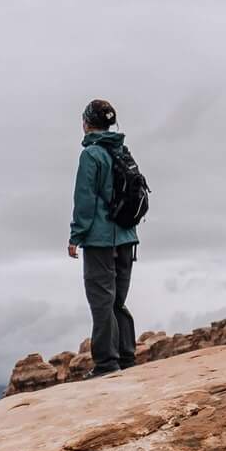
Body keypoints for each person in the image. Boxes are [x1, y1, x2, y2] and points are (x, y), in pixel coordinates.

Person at [68, 98, 139, 374]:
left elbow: (85, 199)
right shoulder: (122, 149)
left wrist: (76, 236)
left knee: (101, 300)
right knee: (117, 300)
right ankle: (127, 357)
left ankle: (107, 364)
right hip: (127, 237)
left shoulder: (91, 155)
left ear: (86, 123)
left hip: (100, 240)